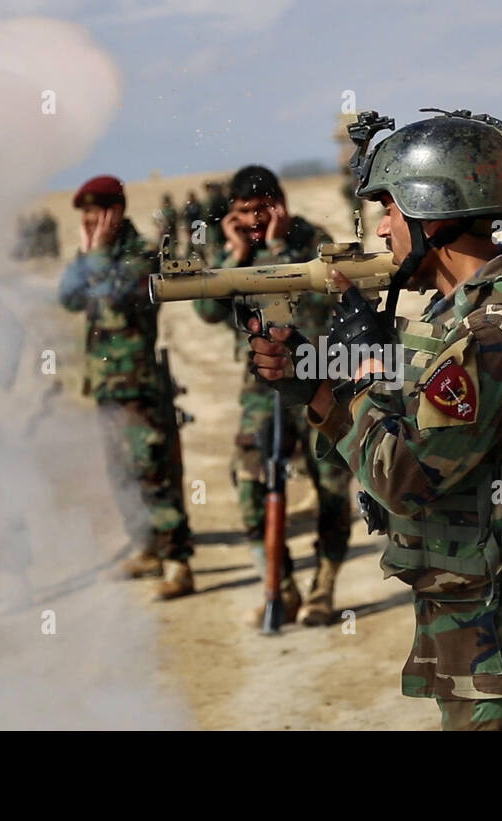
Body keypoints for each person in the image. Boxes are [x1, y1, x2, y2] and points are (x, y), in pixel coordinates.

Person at [249, 111, 502, 730]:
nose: (382, 229)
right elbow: (420, 437)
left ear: (433, 215)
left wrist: (344, 385)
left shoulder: (492, 337)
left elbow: (406, 476)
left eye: (390, 210)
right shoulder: (470, 320)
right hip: (495, 631)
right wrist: (314, 384)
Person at [193, 165, 352, 627]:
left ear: (279, 204)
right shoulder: (237, 251)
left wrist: (281, 249)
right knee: (250, 487)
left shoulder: (312, 240)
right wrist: (237, 253)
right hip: (262, 390)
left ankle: (324, 586)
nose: (254, 220)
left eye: (261, 210)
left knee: (331, 488)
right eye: (243, 213)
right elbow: (206, 309)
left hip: (318, 379)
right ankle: (281, 587)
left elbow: (326, 302)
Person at [58, 175, 195, 599]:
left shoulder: (141, 254)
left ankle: (178, 563)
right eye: (85, 217)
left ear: (116, 212)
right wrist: (85, 258)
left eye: (96, 214)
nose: (91, 224)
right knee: (120, 474)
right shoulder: (95, 256)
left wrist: (94, 258)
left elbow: (116, 298)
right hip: (105, 386)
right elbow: (69, 298)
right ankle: (145, 548)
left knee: (152, 472)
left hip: (137, 384)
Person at [156, 193, 178, 257]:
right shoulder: (162, 211)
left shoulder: (171, 210)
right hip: (165, 235)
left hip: (171, 234)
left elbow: (174, 221)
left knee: (171, 252)